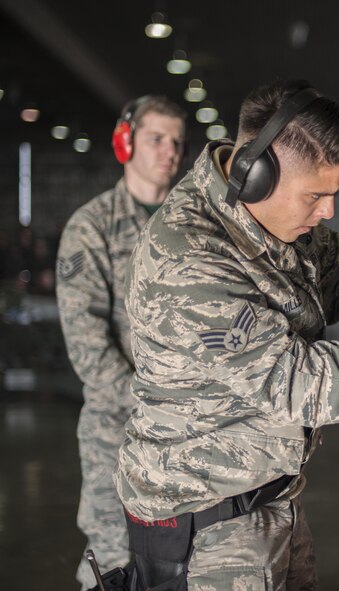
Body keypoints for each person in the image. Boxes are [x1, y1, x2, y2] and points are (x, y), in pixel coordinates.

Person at [113, 79, 339, 590]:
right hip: (206, 529)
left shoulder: (277, 223)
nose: (328, 212)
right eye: (316, 195)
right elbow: (297, 384)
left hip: (266, 501)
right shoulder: (189, 257)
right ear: (257, 175)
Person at [55, 95, 187, 589]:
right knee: (114, 560)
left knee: (184, 561)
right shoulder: (91, 228)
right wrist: (150, 406)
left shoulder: (192, 225)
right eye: (156, 138)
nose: (168, 151)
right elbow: (86, 342)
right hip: (119, 431)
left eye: (176, 142)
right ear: (125, 142)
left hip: (191, 431)